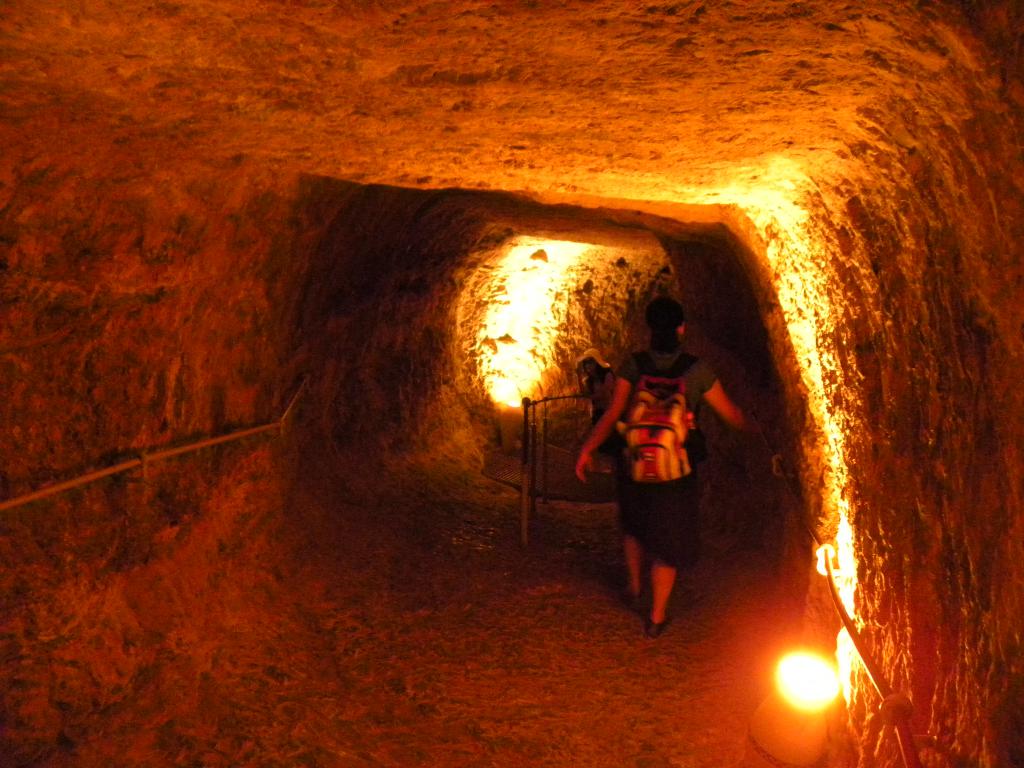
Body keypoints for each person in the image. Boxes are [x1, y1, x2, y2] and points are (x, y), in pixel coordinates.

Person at [574, 297, 750, 638]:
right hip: (676, 474)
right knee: (668, 542)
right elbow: (731, 415)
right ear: (682, 328)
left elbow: (613, 414)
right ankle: (656, 617)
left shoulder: (634, 365)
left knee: (635, 525)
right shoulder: (697, 370)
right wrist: (762, 427)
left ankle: (634, 585)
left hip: (635, 465)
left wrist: (587, 448)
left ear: (649, 329)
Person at [576, 348, 624, 460]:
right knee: (603, 446)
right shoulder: (591, 380)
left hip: (608, 414)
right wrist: (578, 376)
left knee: (612, 443)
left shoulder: (607, 375)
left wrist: (591, 397)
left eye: (590, 362)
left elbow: (606, 394)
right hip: (597, 413)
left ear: (597, 362)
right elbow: (584, 393)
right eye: (586, 364)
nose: (588, 366)